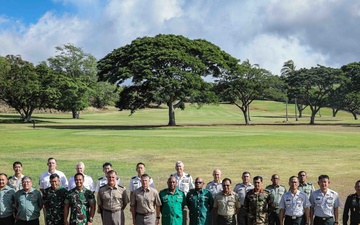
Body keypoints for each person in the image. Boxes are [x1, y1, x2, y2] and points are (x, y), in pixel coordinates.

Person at [172, 161, 194, 225]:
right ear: (175, 168)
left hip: (185, 201)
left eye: (180, 166)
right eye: (177, 166)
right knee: (176, 217)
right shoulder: (173, 177)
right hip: (176, 201)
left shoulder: (188, 177)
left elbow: (192, 188)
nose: (179, 168)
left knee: (186, 218)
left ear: (183, 168)